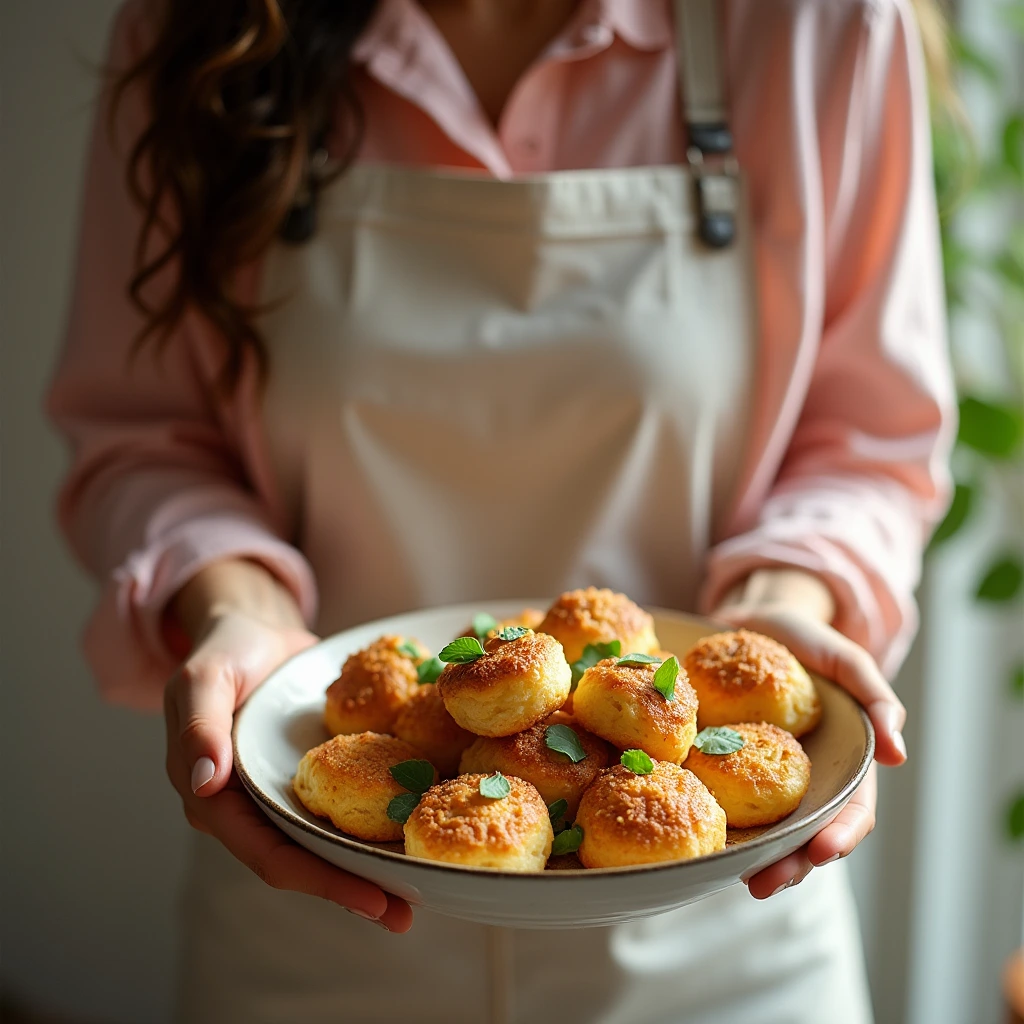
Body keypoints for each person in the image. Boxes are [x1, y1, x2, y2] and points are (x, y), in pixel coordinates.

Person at [49, 0, 955, 1020]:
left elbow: (869, 439)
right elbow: (144, 434)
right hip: (316, 909)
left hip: (719, 926)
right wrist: (236, 608)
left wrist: (785, 606)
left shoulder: (817, 26)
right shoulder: (199, 26)